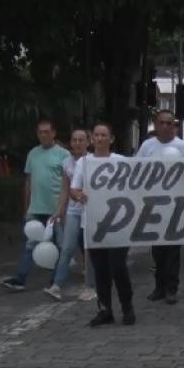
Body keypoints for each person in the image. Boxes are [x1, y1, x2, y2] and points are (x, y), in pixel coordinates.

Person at [71, 122, 135, 326]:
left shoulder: (121, 161)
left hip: (118, 224)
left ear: (111, 139)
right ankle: (105, 309)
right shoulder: (84, 163)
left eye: (103, 135)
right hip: (92, 224)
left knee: (118, 267)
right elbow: (74, 189)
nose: (99, 139)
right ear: (92, 139)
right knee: (100, 270)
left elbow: (134, 187)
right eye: (96, 135)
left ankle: (127, 307)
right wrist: (79, 195)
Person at [2, 119, 70, 291]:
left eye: (47, 132)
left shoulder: (63, 154)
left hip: (55, 209)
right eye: (40, 132)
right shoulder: (33, 153)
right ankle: (20, 279)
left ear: (53, 133)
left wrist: (63, 207)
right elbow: (29, 180)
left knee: (59, 245)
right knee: (30, 244)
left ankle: (55, 281)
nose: (43, 135)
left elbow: (68, 182)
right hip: (35, 208)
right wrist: (26, 206)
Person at [135, 110, 184, 305]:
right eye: (162, 123)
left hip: (176, 204)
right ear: (156, 124)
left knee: (173, 250)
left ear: (174, 125)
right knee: (157, 250)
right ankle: (159, 287)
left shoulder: (183, 147)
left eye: (170, 123)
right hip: (154, 205)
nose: (166, 126)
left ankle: (171, 289)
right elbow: (136, 172)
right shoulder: (147, 146)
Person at [44, 128, 96, 301]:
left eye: (81, 140)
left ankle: (90, 286)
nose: (77, 143)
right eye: (74, 140)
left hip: (90, 211)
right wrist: (59, 210)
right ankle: (56, 286)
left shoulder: (93, 161)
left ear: (88, 142)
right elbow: (65, 189)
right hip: (74, 211)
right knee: (67, 248)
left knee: (89, 250)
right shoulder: (66, 162)